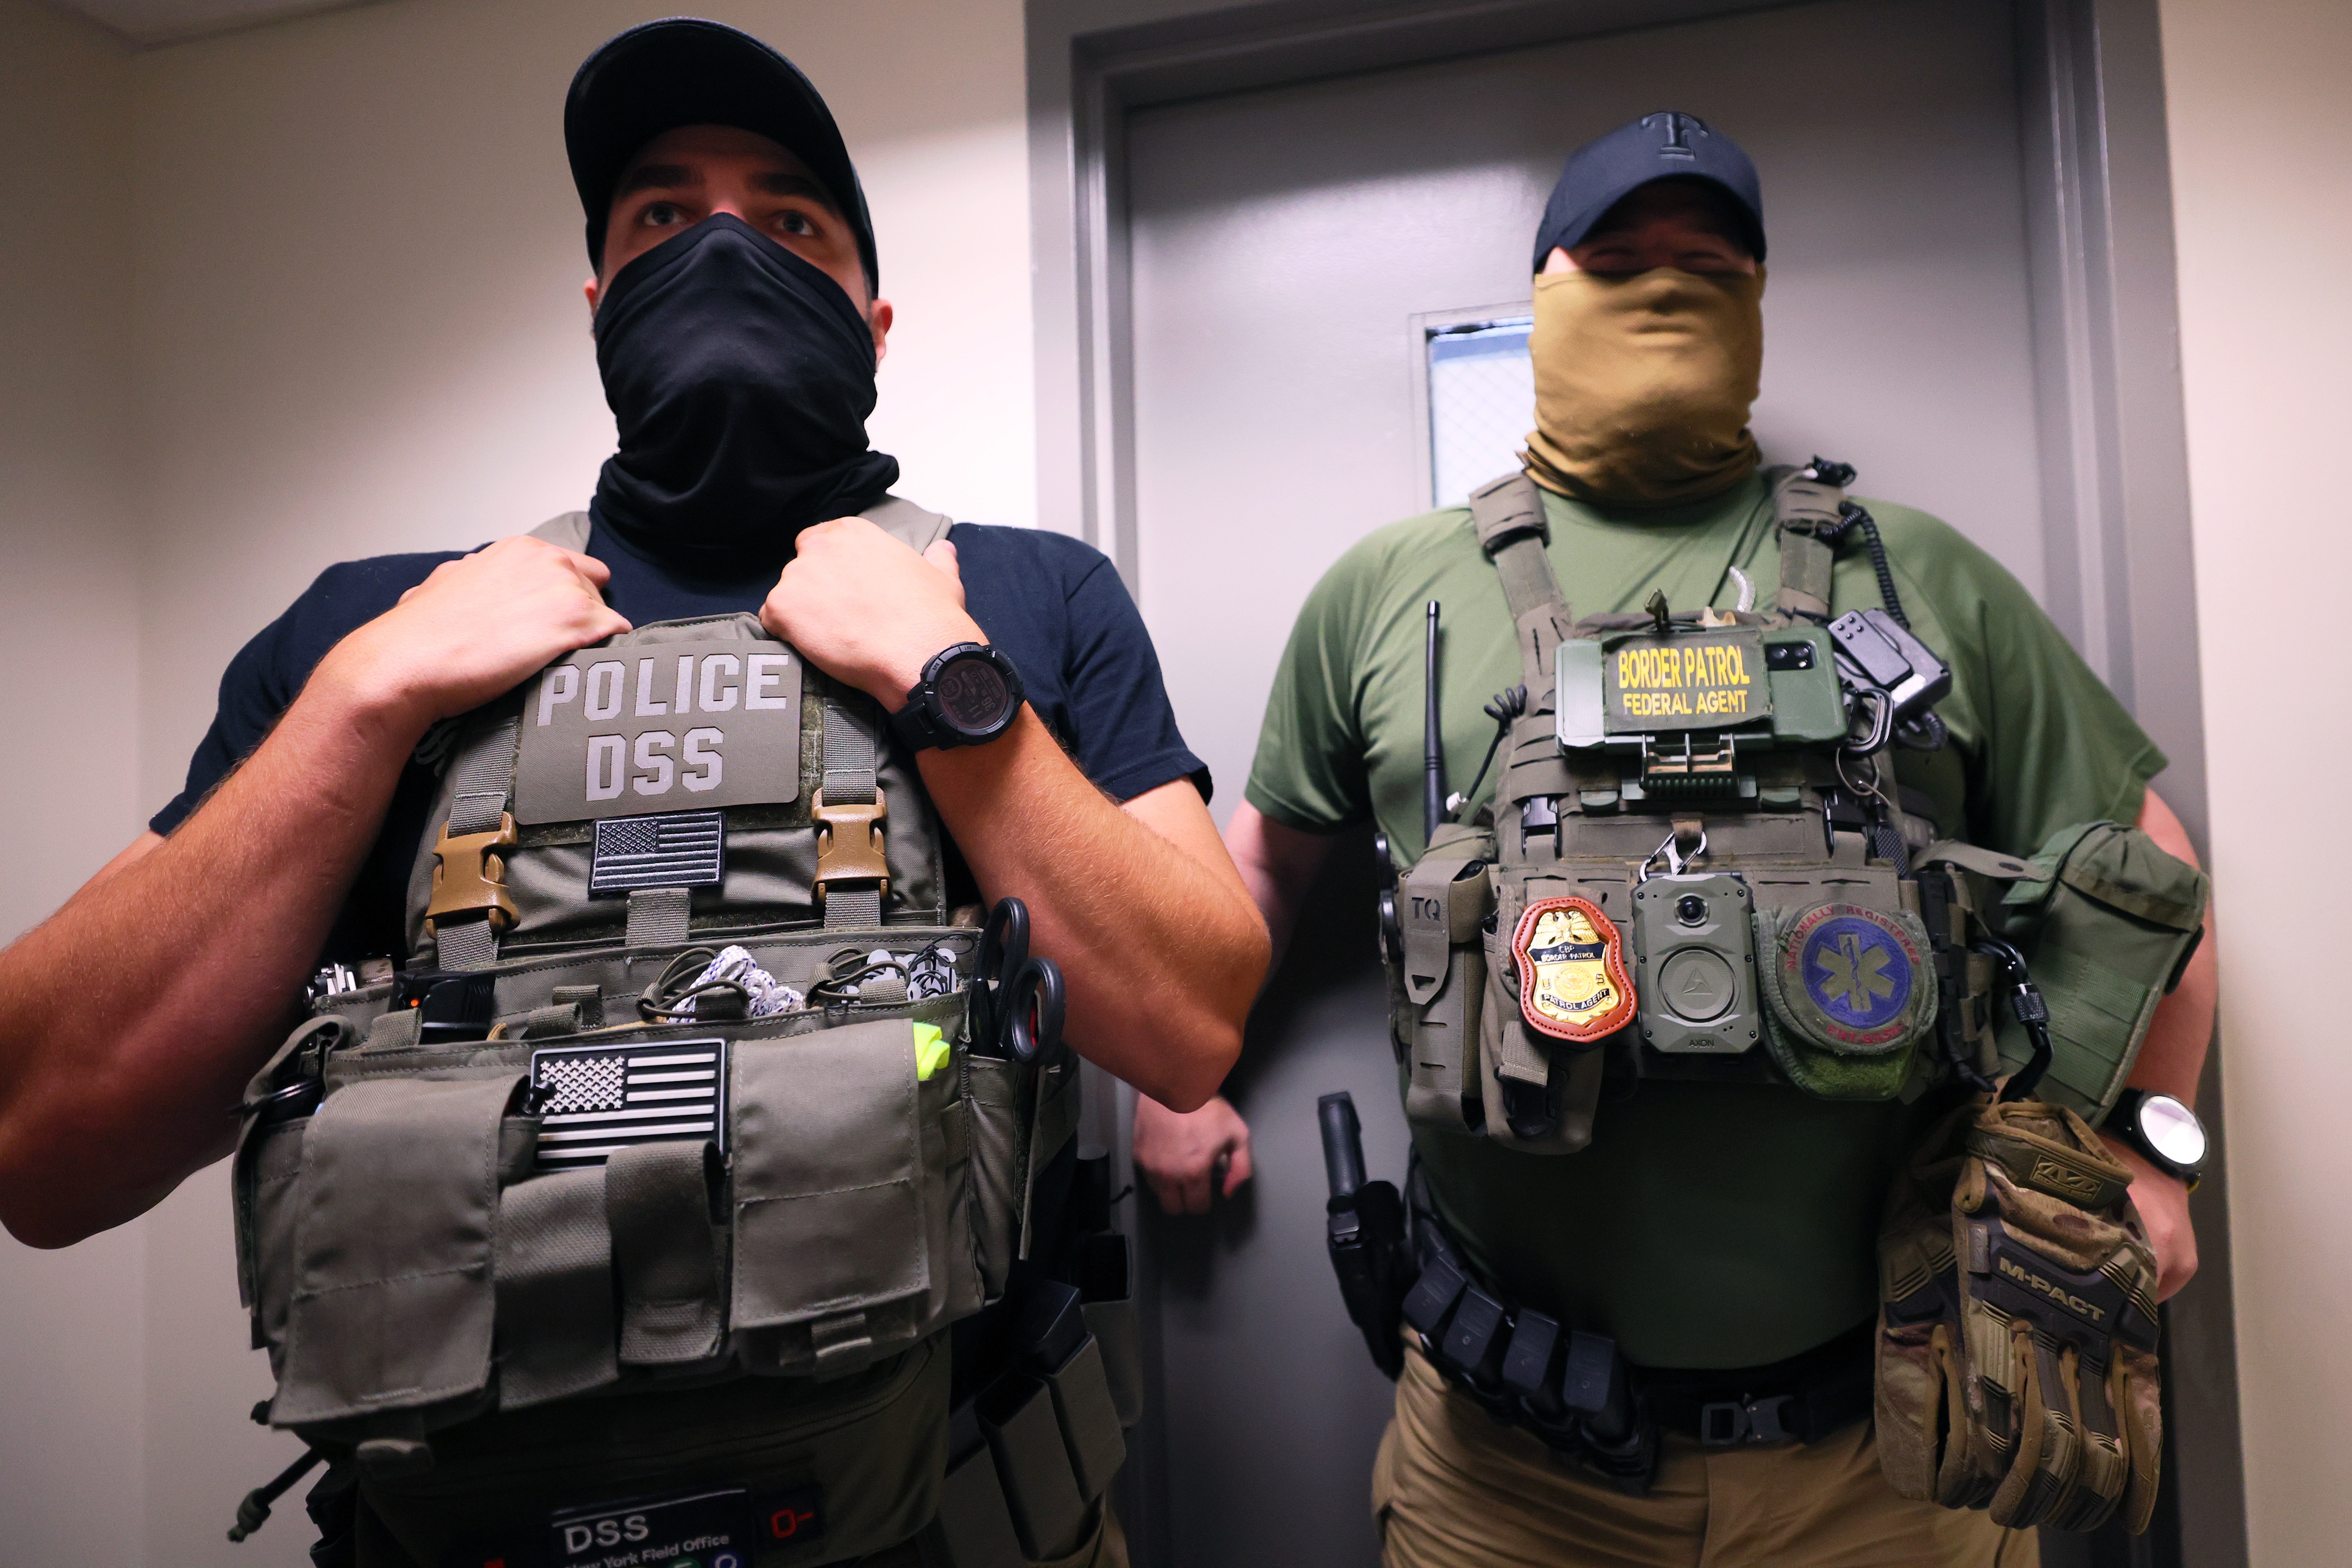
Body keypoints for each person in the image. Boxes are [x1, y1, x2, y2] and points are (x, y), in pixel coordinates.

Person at [0, 18, 1266, 1568]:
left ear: (871, 319)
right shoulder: (379, 624)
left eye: (789, 221)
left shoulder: (1018, 595)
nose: (727, 245)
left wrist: (944, 677)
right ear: (602, 303)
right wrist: (362, 702)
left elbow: (1193, 1026)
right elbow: (40, 1139)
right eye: (665, 218)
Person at [1134, 111, 2217, 1566]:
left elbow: (2150, 871)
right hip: (1506, 1469)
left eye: (1705, 263)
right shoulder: (1391, 588)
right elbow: (1262, 866)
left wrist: (2141, 1154)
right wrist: (1176, 1075)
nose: (1661, 292)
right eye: (1618, 258)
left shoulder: (1919, 571)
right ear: (1545, 297)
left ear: (1756, 306)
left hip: (1893, 1464)